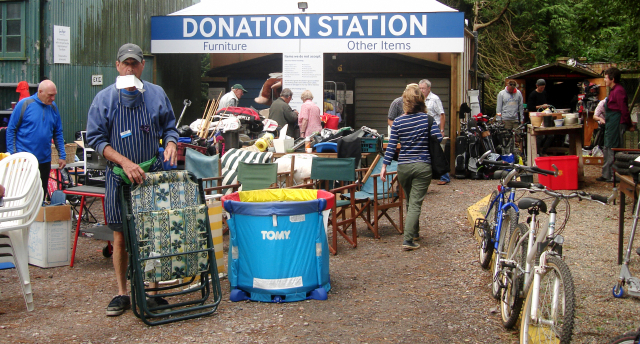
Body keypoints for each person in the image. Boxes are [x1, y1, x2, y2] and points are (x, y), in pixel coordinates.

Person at [86, 43, 179, 317]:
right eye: (125, 63)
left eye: (135, 63)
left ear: (142, 66)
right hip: (119, 178)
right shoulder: (104, 99)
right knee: (120, 236)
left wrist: (171, 143)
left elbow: (170, 126)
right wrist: (124, 162)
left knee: (155, 234)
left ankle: (151, 291)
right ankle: (121, 293)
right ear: (117, 66)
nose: (130, 68)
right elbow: (95, 139)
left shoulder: (156, 94)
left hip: (151, 176)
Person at [380, 84, 442, 251]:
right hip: (422, 166)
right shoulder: (427, 119)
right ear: (421, 101)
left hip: (404, 167)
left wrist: (384, 166)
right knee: (415, 203)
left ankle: (414, 233)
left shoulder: (398, 121)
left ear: (405, 101)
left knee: (410, 201)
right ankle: (408, 240)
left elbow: (392, 146)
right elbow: (438, 138)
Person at [6, 80, 66, 199]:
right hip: (25, 160)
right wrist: (13, 156)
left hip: (44, 159)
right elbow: (11, 130)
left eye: (54, 95)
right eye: (50, 95)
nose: (53, 98)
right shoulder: (25, 104)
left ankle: (39, 214)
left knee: (40, 194)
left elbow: (58, 132)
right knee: (23, 194)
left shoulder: (53, 108)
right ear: (40, 92)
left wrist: (62, 155)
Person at [598, 67, 632, 182]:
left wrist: (628, 123)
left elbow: (624, 109)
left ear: (612, 79)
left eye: (606, 78)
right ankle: (606, 174)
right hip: (611, 122)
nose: (604, 80)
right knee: (607, 147)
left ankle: (613, 175)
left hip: (617, 122)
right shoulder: (613, 90)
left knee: (613, 147)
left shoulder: (618, 91)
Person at [419, 79, 450, 185]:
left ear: (429, 88)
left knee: (436, 151)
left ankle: (445, 177)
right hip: (424, 127)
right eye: (420, 88)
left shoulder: (435, 99)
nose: (421, 90)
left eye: (423, 88)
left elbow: (442, 114)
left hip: (434, 126)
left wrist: (441, 130)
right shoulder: (419, 99)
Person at [528, 79, 553, 156]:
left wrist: (546, 107)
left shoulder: (544, 93)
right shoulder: (533, 95)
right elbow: (530, 107)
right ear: (537, 86)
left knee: (550, 135)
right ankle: (537, 153)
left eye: (543, 87)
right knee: (539, 136)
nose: (542, 89)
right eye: (541, 88)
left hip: (544, 115)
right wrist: (541, 106)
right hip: (536, 116)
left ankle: (544, 150)